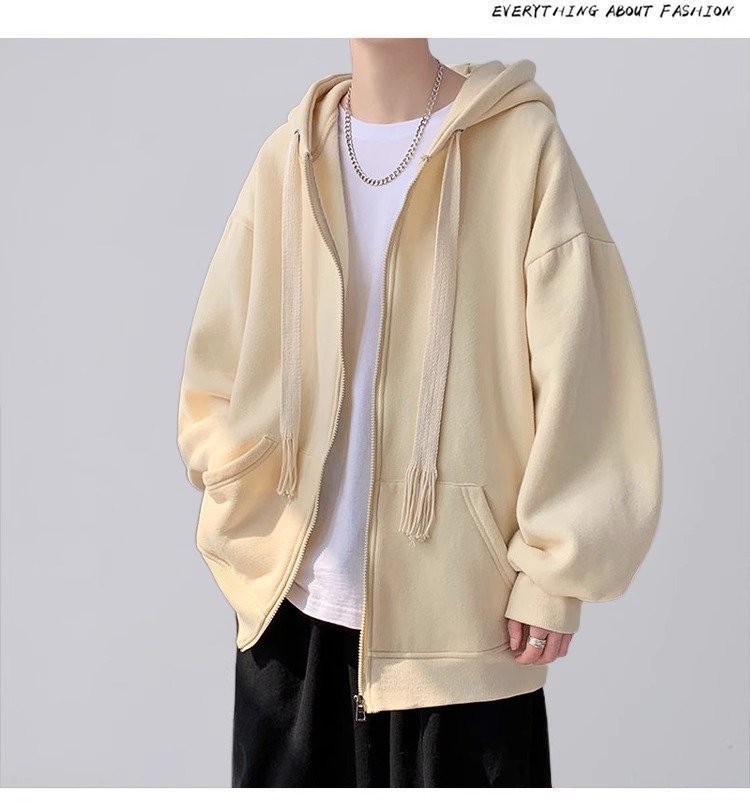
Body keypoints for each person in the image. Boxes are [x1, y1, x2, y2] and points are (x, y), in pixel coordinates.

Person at [176, 38, 663, 787]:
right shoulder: (288, 157)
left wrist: (555, 568)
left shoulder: (522, 145)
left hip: (462, 628)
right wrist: (238, 487)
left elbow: (590, 371)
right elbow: (216, 364)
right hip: (287, 614)